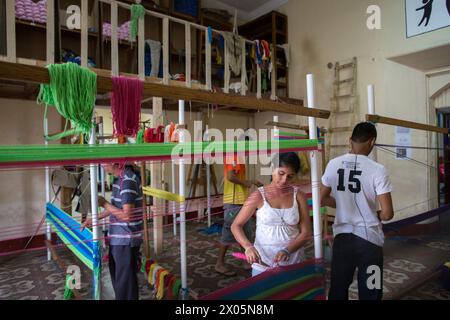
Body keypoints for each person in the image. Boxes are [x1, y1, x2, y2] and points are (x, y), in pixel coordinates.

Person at [321, 122, 394, 300]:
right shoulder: (378, 170)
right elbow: (387, 214)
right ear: (372, 141)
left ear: (350, 140)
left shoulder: (333, 164)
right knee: (372, 290)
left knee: (338, 289)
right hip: (370, 243)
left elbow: (322, 198)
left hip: (342, 239)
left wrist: (344, 204)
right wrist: (371, 212)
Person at [231, 152, 312, 277]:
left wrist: (288, 250)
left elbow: (306, 232)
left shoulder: (299, 196)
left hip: (294, 260)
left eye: (290, 176)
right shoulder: (258, 195)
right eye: (281, 174)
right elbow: (236, 225)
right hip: (263, 262)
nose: (285, 180)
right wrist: (248, 247)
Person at [81, 163, 143, 300]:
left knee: (124, 284)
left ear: (117, 162)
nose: (101, 164)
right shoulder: (118, 179)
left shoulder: (127, 180)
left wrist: (103, 202)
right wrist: (94, 219)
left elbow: (127, 216)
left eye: (105, 161)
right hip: (118, 238)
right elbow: (115, 208)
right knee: (119, 279)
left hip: (126, 239)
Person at [215, 150, 262, 276]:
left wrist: (251, 181)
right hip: (234, 202)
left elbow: (236, 177)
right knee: (232, 233)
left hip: (239, 202)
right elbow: (231, 177)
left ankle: (246, 260)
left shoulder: (238, 157)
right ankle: (220, 263)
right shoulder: (233, 155)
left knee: (243, 230)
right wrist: (246, 183)